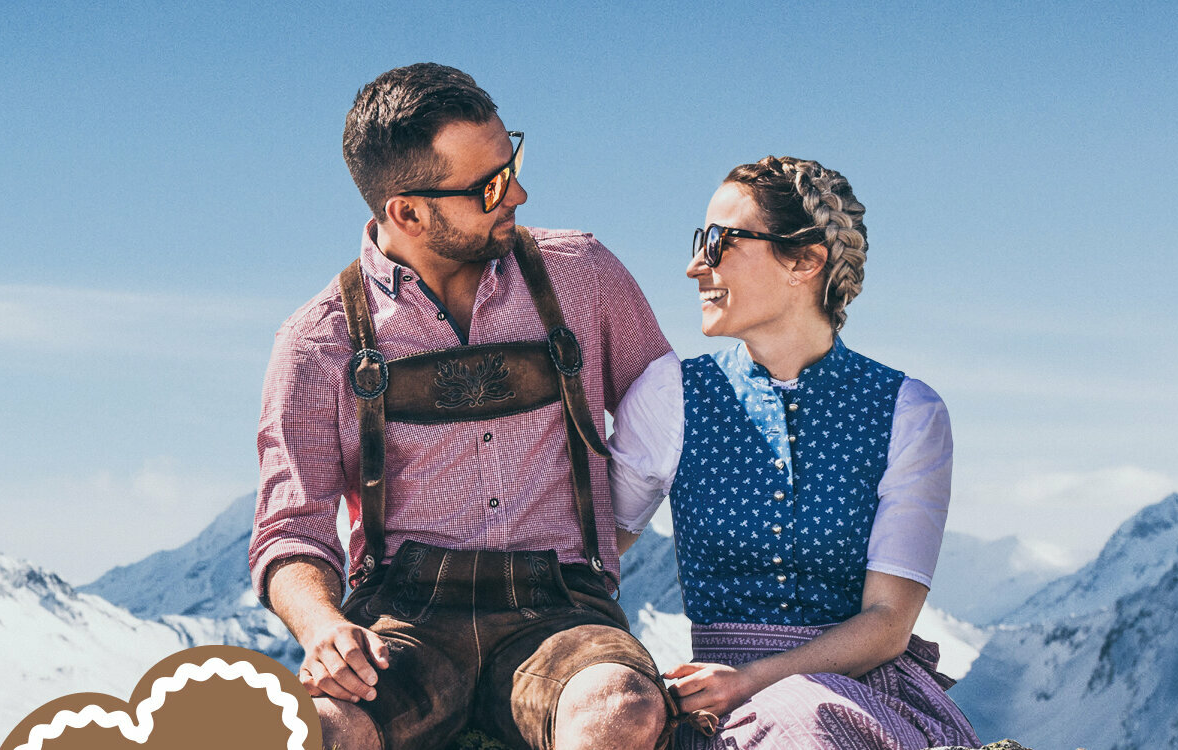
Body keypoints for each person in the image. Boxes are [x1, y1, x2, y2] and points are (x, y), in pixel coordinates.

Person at [250, 63, 677, 750]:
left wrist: (617, 539)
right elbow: (290, 529)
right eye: (490, 187)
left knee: (618, 709)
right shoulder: (317, 343)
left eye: (512, 164)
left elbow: (675, 422)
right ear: (407, 212)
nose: (520, 193)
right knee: (319, 732)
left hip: (563, 612)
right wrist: (324, 627)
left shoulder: (586, 277)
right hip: (404, 623)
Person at [609, 156, 980, 749]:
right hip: (713, 703)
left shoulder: (908, 412)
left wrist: (752, 679)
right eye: (700, 240)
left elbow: (888, 623)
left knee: (805, 719)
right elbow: (592, 554)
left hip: (859, 690)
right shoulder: (669, 395)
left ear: (805, 261)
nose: (694, 266)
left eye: (721, 241)